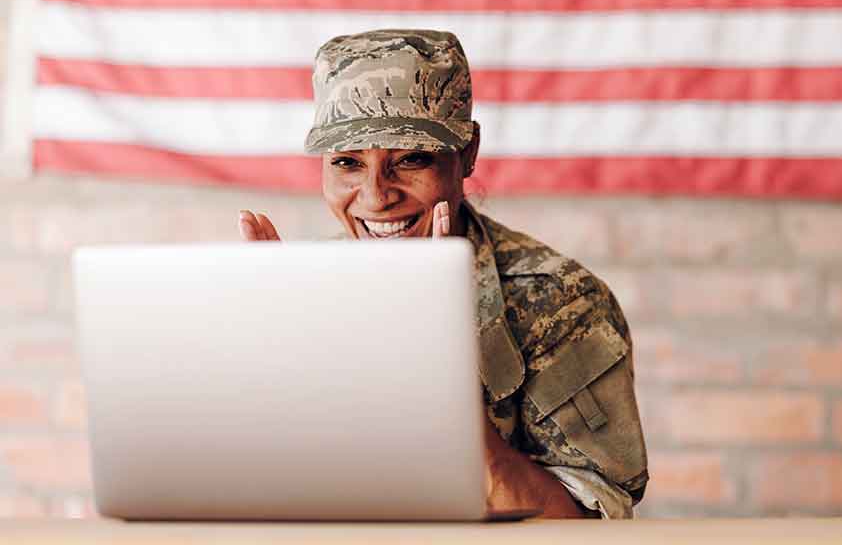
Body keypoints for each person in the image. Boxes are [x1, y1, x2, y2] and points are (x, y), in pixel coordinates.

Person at [238, 29, 648, 519]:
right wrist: (271, 357)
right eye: (347, 163)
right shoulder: (303, 290)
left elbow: (591, 524)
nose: (375, 196)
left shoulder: (561, 302)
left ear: (468, 152)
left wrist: (442, 380)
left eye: (411, 159)